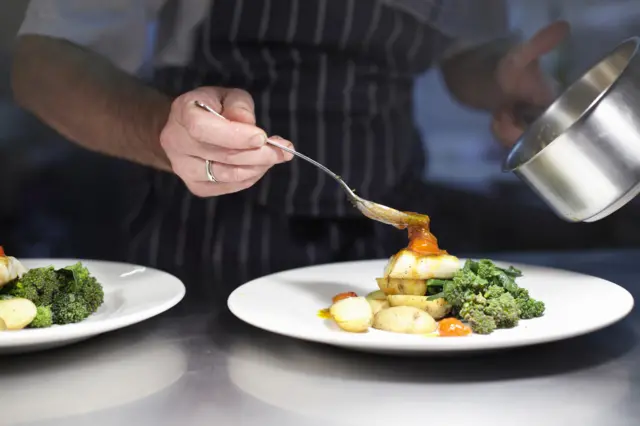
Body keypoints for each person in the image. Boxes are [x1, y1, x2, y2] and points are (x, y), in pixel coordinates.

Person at [12, 1, 569, 297]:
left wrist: (501, 77)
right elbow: (42, 62)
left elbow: (468, 54)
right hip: (209, 233)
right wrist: (165, 128)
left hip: (385, 226)